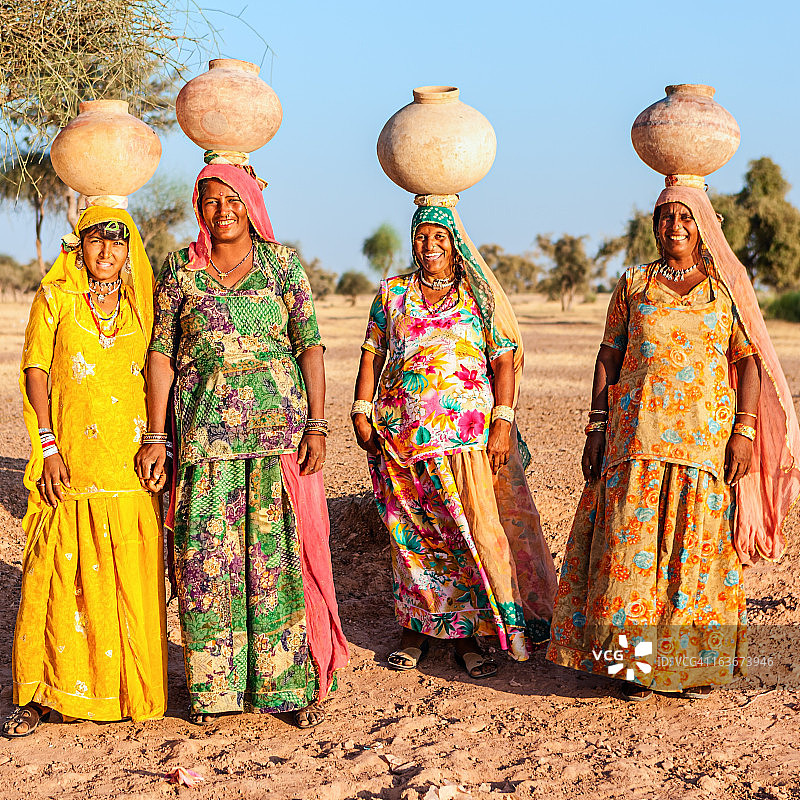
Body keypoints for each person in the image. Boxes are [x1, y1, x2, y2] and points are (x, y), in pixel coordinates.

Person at [547, 182, 800, 700]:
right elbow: (608, 356)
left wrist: (745, 431)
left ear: (703, 224)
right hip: (634, 443)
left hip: (703, 450)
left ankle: (689, 667)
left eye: (685, 216)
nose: (675, 227)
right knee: (628, 556)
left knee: (696, 558)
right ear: (654, 225)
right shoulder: (635, 285)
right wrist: (597, 427)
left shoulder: (725, 288)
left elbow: (748, 360)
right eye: (665, 217)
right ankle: (632, 668)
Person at [135, 160, 348, 728]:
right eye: (210, 201)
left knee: (276, 566)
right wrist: (155, 436)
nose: (222, 212)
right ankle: (214, 691)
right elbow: (160, 354)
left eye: (233, 200)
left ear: (252, 204)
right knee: (206, 565)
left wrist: (318, 426)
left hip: (276, 439)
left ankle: (286, 687)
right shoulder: (180, 270)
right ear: (197, 207)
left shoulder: (282, 266)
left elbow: (310, 348)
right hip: (203, 439)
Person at [352, 197, 557, 678]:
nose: (429, 246)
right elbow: (371, 354)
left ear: (455, 243)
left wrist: (503, 420)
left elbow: (503, 358)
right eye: (421, 237)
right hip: (401, 441)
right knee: (415, 540)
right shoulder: (392, 294)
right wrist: (361, 411)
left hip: (467, 441)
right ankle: (417, 631)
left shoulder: (476, 297)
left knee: (473, 537)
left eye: (439, 236)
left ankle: (475, 636)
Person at [3, 207, 167, 737]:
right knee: (57, 579)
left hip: (130, 467)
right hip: (69, 463)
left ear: (128, 251)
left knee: (127, 580)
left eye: (118, 245)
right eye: (97, 242)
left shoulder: (143, 308)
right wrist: (47, 446)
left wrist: (157, 441)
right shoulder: (56, 300)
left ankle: (122, 692)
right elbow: (36, 370)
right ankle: (45, 692)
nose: (108, 254)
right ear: (80, 247)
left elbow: (161, 373)